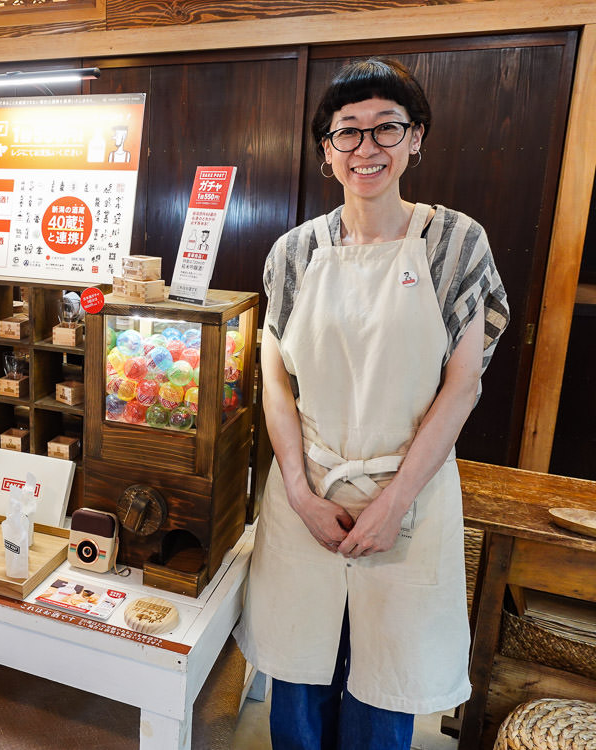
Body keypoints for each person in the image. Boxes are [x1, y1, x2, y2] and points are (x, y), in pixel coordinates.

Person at [233, 58, 509, 749]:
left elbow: (463, 384)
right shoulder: (294, 252)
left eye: (386, 127)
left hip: (408, 498)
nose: (366, 147)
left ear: (416, 138)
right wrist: (299, 492)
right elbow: (275, 381)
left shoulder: (456, 244)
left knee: (384, 689)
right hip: (308, 495)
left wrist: (394, 502)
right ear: (326, 150)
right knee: (299, 684)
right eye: (347, 131)